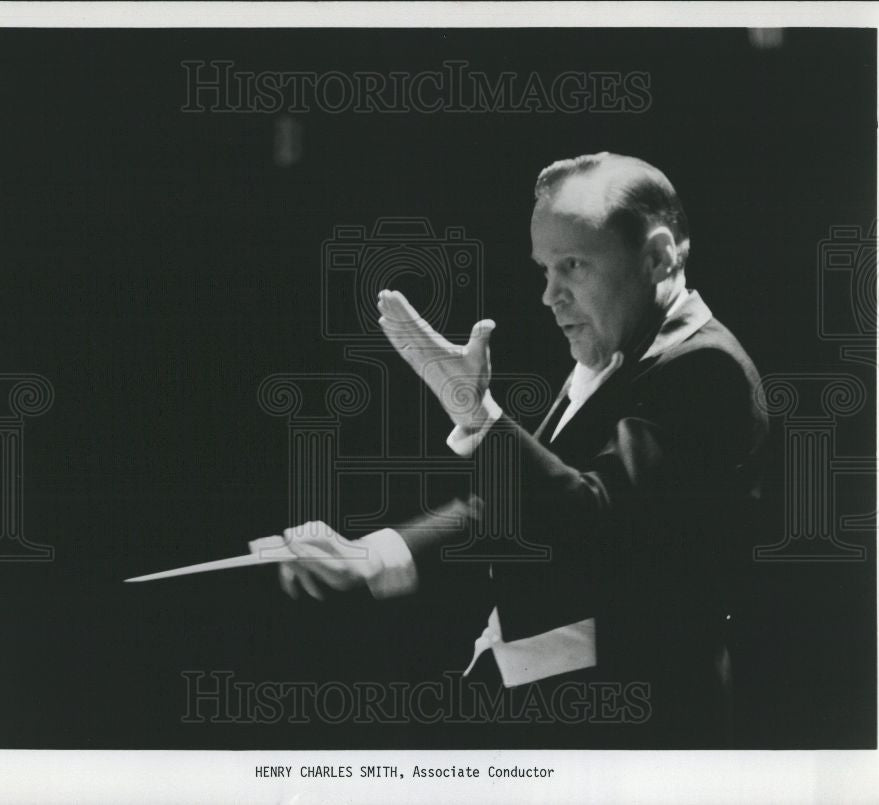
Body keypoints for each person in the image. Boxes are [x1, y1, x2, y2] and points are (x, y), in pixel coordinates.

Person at [254, 152, 768, 747]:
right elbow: (522, 509)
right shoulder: (627, 352)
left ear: (656, 256)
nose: (550, 295)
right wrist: (374, 553)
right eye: (544, 269)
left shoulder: (704, 369)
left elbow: (596, 527)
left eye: (572, 265)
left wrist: (478, 414)